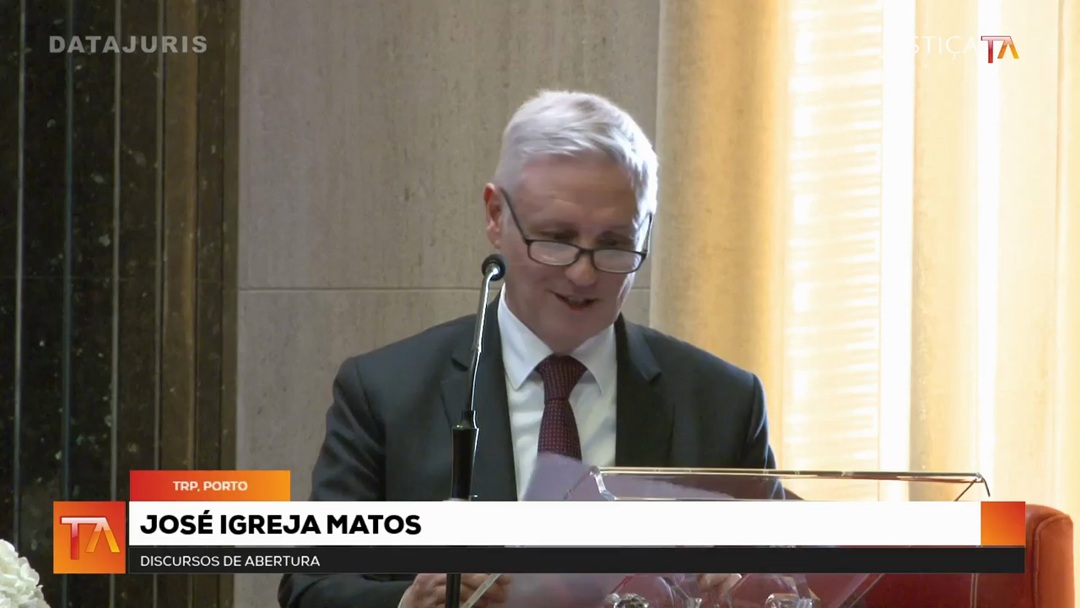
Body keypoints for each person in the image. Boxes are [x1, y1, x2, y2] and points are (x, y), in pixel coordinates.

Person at [278, 90, 777, 608]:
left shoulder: (723, 403)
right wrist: (410, 601)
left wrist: (750, 588)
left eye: (613, 243)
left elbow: (790, 583)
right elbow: (311, 587)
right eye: (557, 238)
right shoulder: (385, 394)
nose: (583, 273)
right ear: (496, 216)